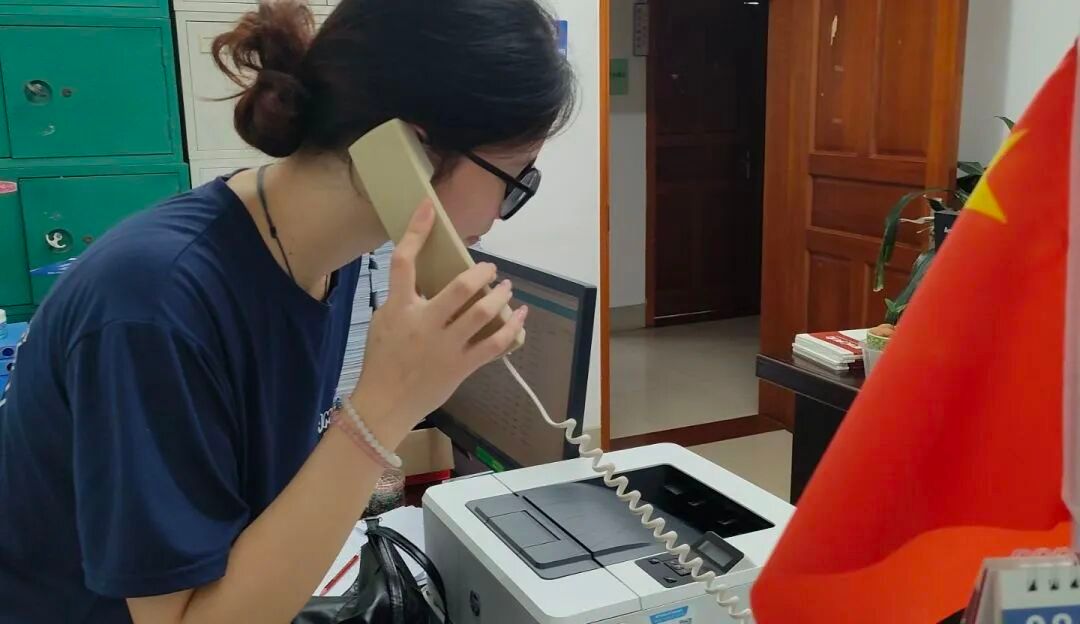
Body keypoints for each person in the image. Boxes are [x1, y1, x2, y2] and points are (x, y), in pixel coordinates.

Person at [0, 0, 574, 621]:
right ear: (410, 151)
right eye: (514, 182)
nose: (501, 214)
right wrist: (387, 404)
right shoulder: (155, 304)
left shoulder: (326, 255)